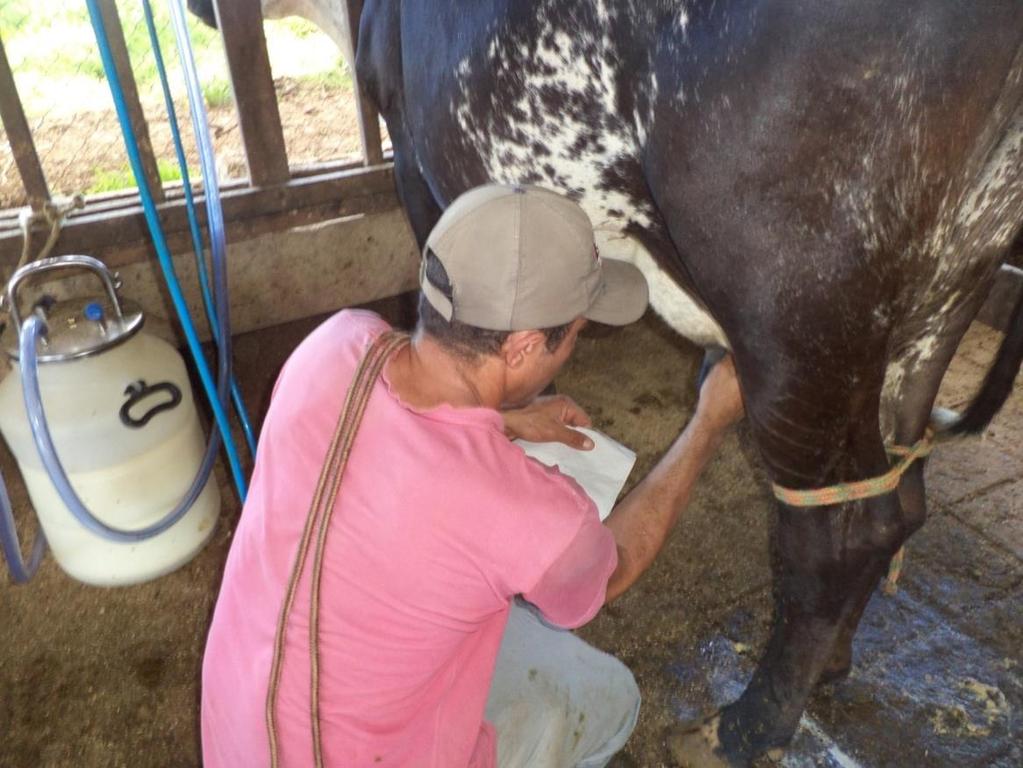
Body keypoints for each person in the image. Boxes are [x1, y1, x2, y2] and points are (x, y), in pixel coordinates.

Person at [200, 184, 744, 768]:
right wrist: (707, 424)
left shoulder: (333, 344)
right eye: (577, 334)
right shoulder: (525, 511)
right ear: (524, 348)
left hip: (239, 740)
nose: (574, 349)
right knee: (608, 694)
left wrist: (502, 421)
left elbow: (398, 444)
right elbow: (612, 568)